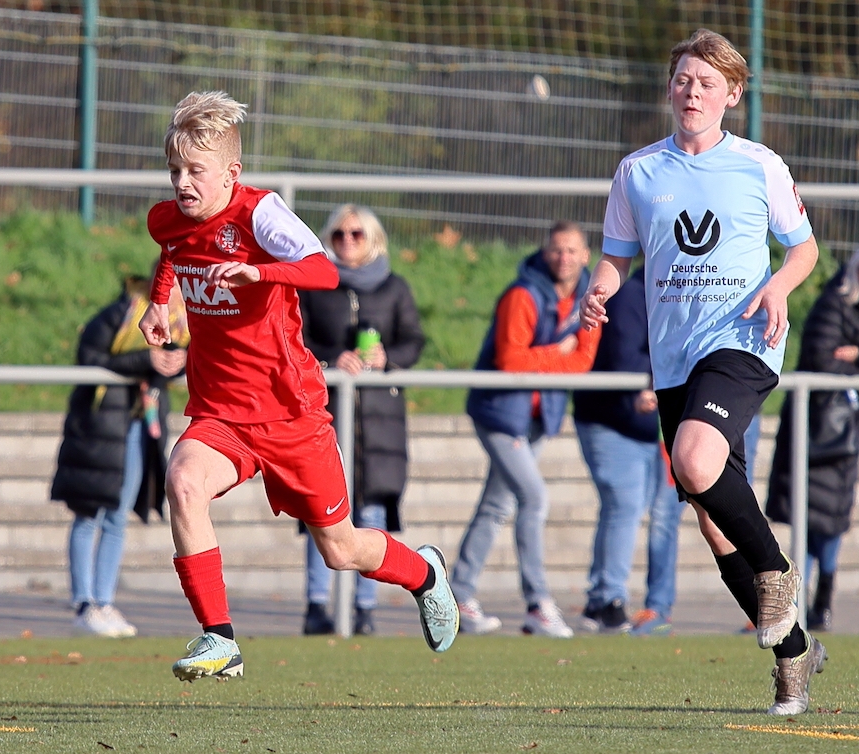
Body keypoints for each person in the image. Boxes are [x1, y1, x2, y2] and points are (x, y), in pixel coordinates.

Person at [139, 91, 457, 681]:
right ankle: (219, 638)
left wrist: (258, 271)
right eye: (174, 170)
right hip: (221, 412)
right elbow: (171, 250)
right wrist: (160, 303)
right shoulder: (168, 219)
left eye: (195, 171)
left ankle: (424, 573)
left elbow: (322, 269)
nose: (182, 183)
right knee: (182, 482)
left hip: (290, 412)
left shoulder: (260, 213)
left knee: (339, 549)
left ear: (231, 172)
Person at [581, 29, 825, 714]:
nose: (693, 92)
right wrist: (600, 287)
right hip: (674, 357)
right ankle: (795, 653)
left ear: (732, 95)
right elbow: (617, 256)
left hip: (742, 339)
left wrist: (778, 287)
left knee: (693, 459)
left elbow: (804, 250)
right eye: (684, 80)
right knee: (713, 521)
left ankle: (776, 572)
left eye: (708, 83)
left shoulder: (759, 165)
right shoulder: (637, 172)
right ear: (671, 88)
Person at [449, 221, 601, 638]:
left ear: (585, 255)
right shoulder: (523, 294)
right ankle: (537, 603)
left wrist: (552, 357)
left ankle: (457, 595)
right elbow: (510, 361)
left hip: (538, 418)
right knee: (533, 498)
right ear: (545, 252)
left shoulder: (589, 298)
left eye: (571, 250)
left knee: (497, 505)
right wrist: (556, 352)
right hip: (500, 413)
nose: (564, 258)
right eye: (556, 250)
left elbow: (582, 361)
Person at [297, 204, 426, 636]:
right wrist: (334, 359)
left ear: (374, 239)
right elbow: (296, 340)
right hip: (326, 412)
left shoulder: (395, 287)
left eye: (356, 234)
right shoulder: (313, 285)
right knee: (322, 511)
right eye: (339, 234)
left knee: (371, 510)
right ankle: (317, 605)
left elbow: (414, 340)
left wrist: (387, 358)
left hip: (379, 418)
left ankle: (365, 607)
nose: (347, 242)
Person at [766, 240, 859, 632]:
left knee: (833, 520)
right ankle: (795, 603)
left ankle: (822, 599)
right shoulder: (832, 305)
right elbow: (823, 359)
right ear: (855, 274)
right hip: (814, 432)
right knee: (809, 520)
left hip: (846, 435)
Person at [50, 274, 189, 637]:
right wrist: (146, 358)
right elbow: (89, 357)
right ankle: (84, 604)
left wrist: (175, 363)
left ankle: (105, 600)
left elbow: (171, 368)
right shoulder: (120, 314)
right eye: (175, 282)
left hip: (140, 426)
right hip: (100, 427)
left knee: (117, 518)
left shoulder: (183, 324)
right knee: (88, 514)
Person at [573, 267, 684, 636]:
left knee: (628, 508)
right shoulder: (630, 296)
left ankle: (602, 600)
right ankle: (608, 599)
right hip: (611, 419)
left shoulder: (662, 293)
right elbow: (625, 356)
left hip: (642, 425)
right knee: (624, 505)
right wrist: (666, 371)